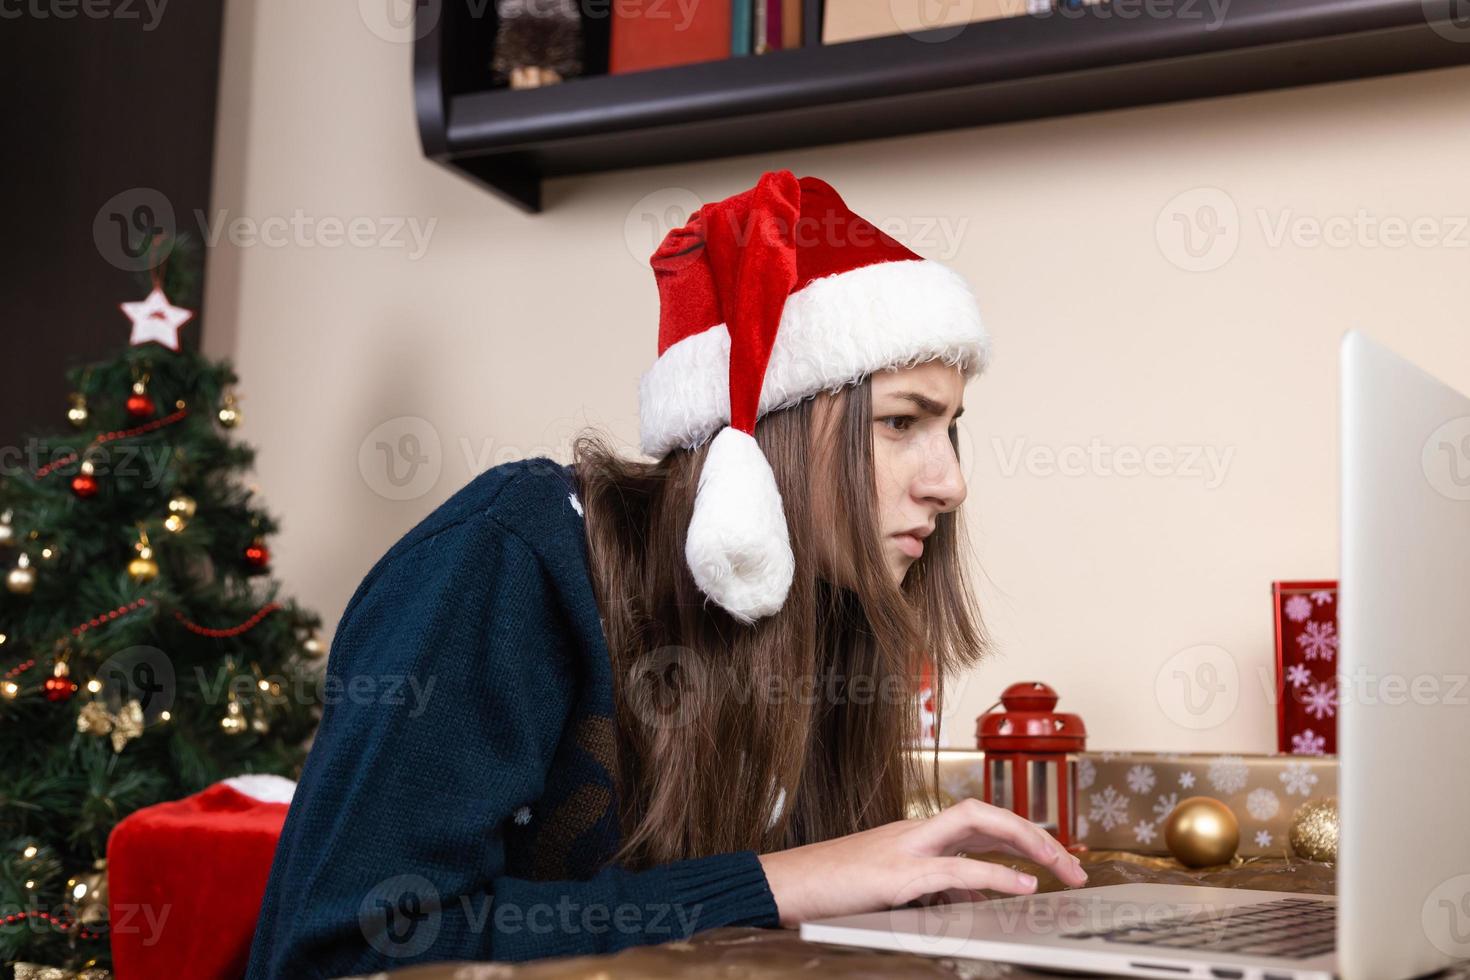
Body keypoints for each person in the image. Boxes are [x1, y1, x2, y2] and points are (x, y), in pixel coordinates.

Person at [243, 169, 1088, 980]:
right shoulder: (513, 555)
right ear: (769, 428)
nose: (950, 480)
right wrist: (776, 885)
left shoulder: (831, 611)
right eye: (902, 421)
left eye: (951, 429)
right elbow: (343, 955)